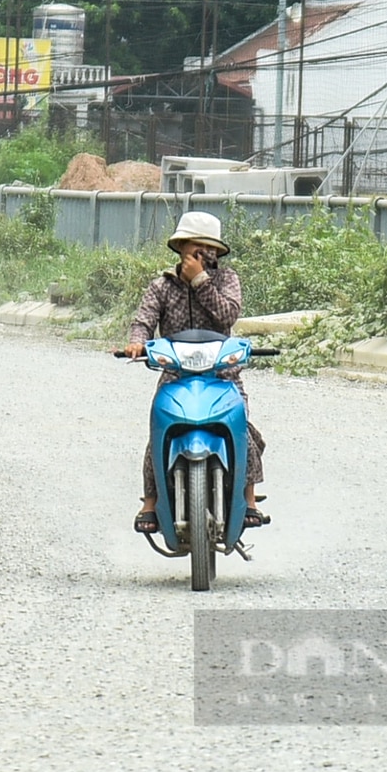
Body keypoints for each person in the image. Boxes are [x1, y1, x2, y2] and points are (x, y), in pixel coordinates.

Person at [122, 211, 267, 534]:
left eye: (208, 248)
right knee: (160, 427)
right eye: (196, 247)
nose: (203, 254)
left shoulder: (227, 280)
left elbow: (227, 314)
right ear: (181, 248)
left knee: (240, 422)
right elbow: (144, 320)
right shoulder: (161, 285)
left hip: (221, 374)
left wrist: (200, 281)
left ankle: (248, 497)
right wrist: (136, 343)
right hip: (176, 374)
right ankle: (151, 500)